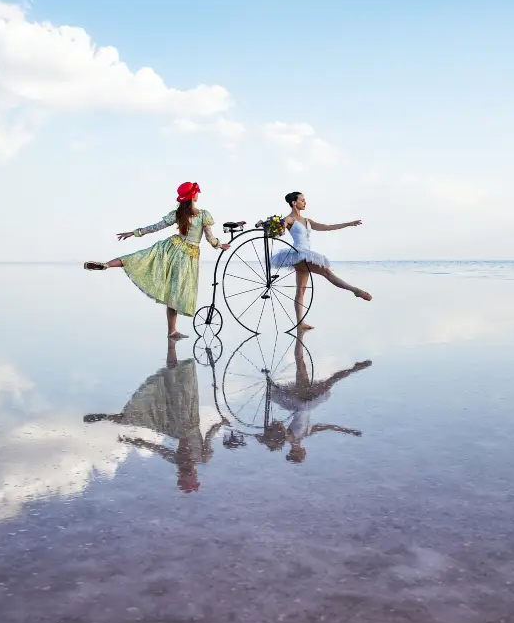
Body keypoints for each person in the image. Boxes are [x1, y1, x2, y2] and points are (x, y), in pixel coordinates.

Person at [85, 181, 229, 339]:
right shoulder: (203, 215)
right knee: (175, 293)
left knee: (139, 257)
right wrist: (219, 245)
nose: (198, 194)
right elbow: (209, 238)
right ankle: (172, 332)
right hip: (187, 257)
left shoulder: (178, 214)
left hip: (172, 247)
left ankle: (106, 265)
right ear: (193, 196)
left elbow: (156, 227)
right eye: (196, 192)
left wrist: (134, 232)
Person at [83, 338, 226, 493]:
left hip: (182, 420)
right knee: (150, 406)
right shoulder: (196, 458)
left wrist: (133, 441)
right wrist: (221, 424)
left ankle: (172, 350)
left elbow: (157, 447)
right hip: (181, 422)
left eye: (191, 477)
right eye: (191, 476)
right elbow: (159, 447)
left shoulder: (192, 458)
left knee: (175, 386)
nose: (192, 474)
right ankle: (172, 350)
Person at [257, 332, 372, 463]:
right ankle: (353, 369)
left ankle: (300, 334)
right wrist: (348, 431)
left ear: (298, 452)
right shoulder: (306, 434)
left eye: (301, 455)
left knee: (312, 371)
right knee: (322, 378)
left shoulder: (293, 439)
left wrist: (268, 440)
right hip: (306, 401)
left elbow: (284, 437)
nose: (304, 453)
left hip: (300, 401)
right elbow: (329, 427)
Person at [270, 191, 371, 330]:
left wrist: (349, 224)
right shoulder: (289, 219)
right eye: (302, 200)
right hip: (299, 254)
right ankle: (355, 290)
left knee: (301, 290)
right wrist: (276, 225)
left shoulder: (307, 221)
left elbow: (327, 227)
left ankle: (300, 324)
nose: (305, 202)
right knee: (327, 272)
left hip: (304, 256)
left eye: (305, 200)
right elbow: (280, 232)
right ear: (294, 203)